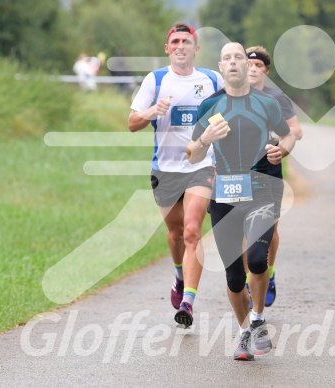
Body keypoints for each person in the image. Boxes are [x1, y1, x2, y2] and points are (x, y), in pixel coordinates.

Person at [187, 42, 295, 361]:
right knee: (234, 277)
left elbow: (288, 134)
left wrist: (283, 149)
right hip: (224, 195)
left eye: (238, 57)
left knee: (258, 259)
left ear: (246, 66)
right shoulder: (210, 105)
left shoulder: (266, 103)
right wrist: (205, 139)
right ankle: (245, 331)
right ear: (220, 67)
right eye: (227, 58)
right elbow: (191, 153)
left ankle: (259, 318)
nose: (234, 62)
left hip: (262, 190)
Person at [128, 22, 224, 327]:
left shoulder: (211, 79)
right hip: (165, 168)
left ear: (196, 49)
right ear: (167, 49)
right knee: (175, 234)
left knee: (192, 230)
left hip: (201, 165)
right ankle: (179, 275)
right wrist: (151, 111)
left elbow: (230, 113)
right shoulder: (155, 80)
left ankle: (188, 302)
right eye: (175, 41)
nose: (180, 45)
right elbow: (132, 123)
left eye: (187, 41)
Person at [244, 45, 303, 307]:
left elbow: (296, 131)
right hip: (240, 171)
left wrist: (277, 140)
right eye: (249, 65)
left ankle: (271, 270)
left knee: (271, 227)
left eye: (258, 66)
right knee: (247, 228)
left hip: (269, 167)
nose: (252, 69)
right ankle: (252, 277)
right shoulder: (233, 95)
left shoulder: (276, 98)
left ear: (265, 71)